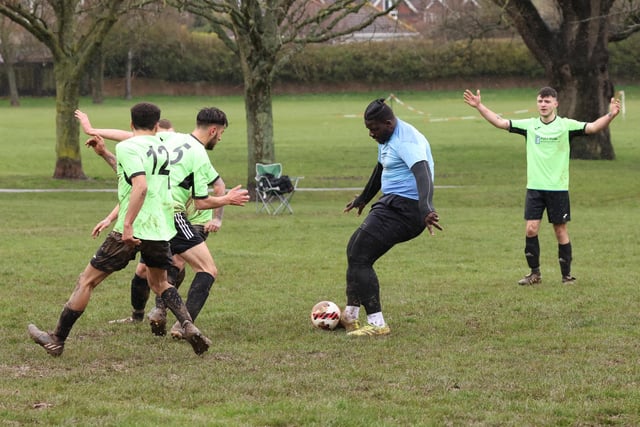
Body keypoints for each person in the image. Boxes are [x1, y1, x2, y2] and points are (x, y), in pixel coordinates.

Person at [28, 102, 212, 356]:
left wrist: (126, 225)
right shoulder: (163, 146)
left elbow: (140, 186)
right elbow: (134, 175)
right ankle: (187, 324)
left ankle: (57, 339)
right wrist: (103, 148)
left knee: (87, 281)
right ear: (157, 125)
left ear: (131, 123)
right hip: (159, 229)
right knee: (160, 283)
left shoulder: (127, 147)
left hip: (133, 227)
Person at [76, 108, 248, 339]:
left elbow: (131, 137)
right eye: (221, 133)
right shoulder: (199, 154)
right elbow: (201, 202)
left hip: (146, 214)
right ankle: (182, 325)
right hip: (171, 212)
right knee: (206, 269)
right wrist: (226, 200)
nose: (221, 138)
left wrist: (92, 130)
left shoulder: (170, 137)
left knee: (152, 271)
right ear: (214, 130)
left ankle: (152, 311)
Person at [463, 87, 621, 285]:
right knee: (530, 229)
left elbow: (593, 127)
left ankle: (566, 276)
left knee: (560, 230)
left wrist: (611, 114)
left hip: (558, 188)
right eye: (540, 101)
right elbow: (500, 122)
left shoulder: (566, 126)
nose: (543, 105)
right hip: (535, 188)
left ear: (556, 103)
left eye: (547, 101)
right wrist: (479, 106)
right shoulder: (530, 125)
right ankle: (534, 274)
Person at [340, 98, 442, 337]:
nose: (371, 134)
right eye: (368, 129)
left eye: (374, 129)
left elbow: (423, 173)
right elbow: (380, 168)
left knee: (360, 255)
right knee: (355, 251)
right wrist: (364, 198)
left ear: (388, 123)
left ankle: (377, 324)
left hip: (406, 209)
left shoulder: (406, 141)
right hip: (392, 204)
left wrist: (426, 208)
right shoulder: (387, 136)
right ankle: (351, 317)